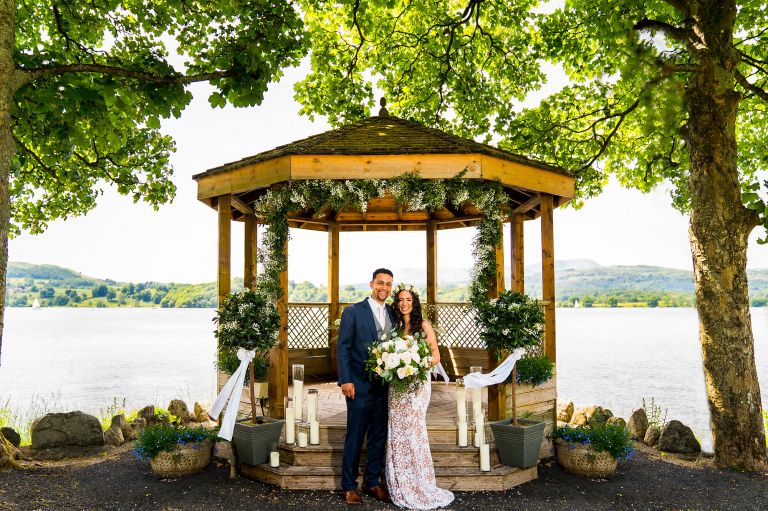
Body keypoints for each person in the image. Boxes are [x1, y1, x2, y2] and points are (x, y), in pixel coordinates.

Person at [385, 285, 454, 510]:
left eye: (409, 300)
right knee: (396, 429)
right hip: (397, 385)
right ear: (396, 303)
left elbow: (436, 355)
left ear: (414, 304)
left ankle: (420, 483)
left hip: (417, 385)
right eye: (401, 300)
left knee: (413, 429)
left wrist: (416, 366)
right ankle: (400, 482)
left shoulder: (423, 325)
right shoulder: (393, 327)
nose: (405, 303)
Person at [337, 268, 394, 505]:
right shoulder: (353, 312)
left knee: (379, 436)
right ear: (372, 284)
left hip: (385, 386)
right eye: (380, 283)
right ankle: (349, 486)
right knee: (355, 436)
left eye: (389, 284)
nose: (384, 288)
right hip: (358, 385)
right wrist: (346, 380)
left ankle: (372, 482)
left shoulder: (392, 312)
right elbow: (343, 347)